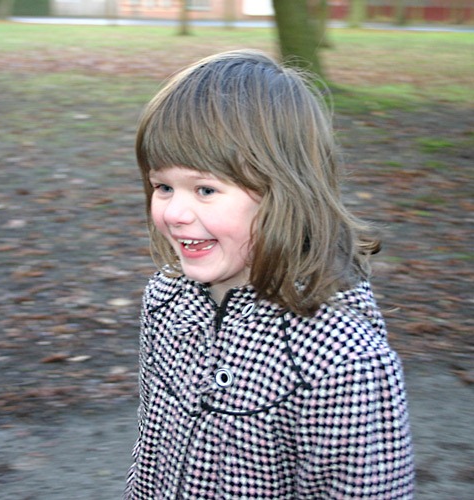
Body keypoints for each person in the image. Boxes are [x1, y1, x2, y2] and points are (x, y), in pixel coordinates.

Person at [124, 49, 414, 499]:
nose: (174, 212)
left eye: (205, 189)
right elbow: (151, 450)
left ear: (284, 191)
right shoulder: (166, 301)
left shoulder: (340, 361)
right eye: (163, 186)